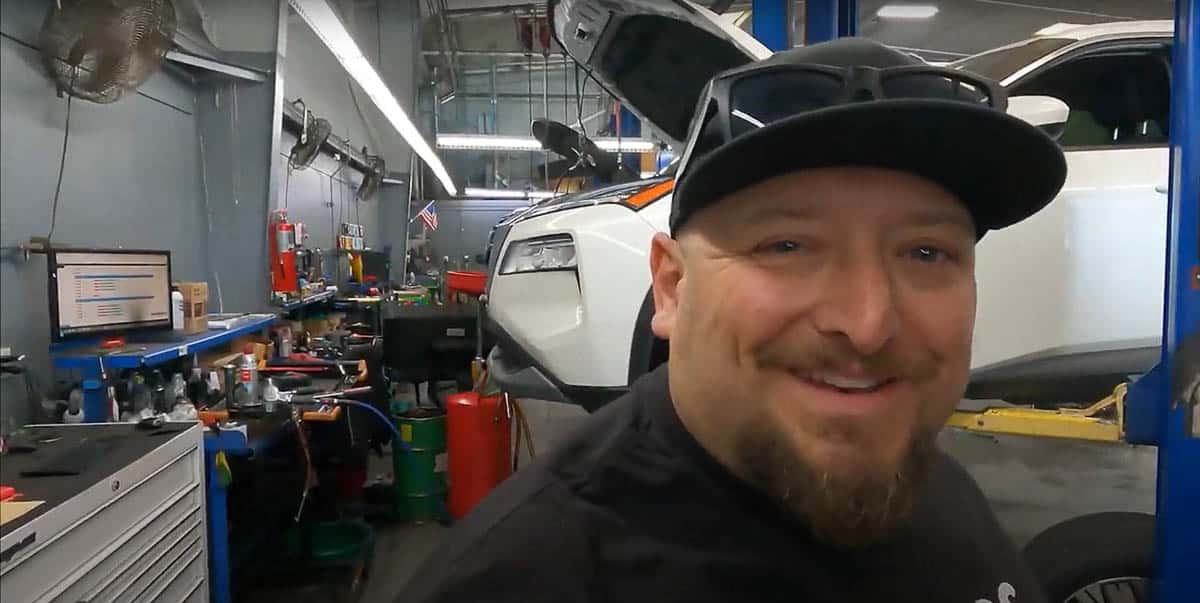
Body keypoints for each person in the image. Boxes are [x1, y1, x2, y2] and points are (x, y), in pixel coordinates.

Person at [401, 37, 1066, 603]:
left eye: (927, 252)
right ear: (672, 287)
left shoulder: (925, 480)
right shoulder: (525, 577)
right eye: (787, 246)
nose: (868, 324)